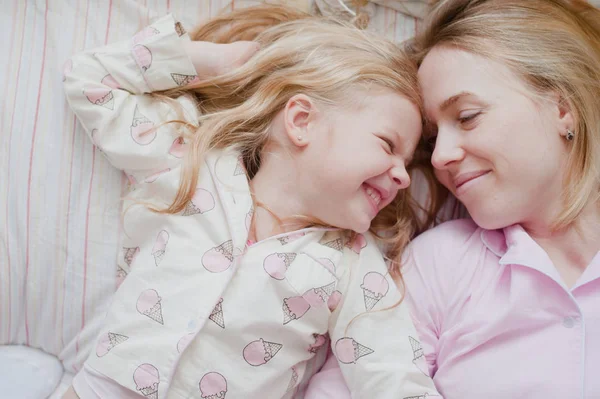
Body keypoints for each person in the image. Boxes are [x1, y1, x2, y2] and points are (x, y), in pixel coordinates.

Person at [61, 5, 442, 399]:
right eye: (388, 145)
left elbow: (393, 374)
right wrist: (207, 60)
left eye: (407, 162)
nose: (403, 176)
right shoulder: (192, 162)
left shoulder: (351, 264)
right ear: (301, 121)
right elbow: (89, 82)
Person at [305, 0, 600, 398]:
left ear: (561, 108)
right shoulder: (438, 264)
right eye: (431, 138)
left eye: (466, 116)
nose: (440, 156)